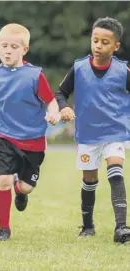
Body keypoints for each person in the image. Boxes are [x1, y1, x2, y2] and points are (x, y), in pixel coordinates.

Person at [0, 23, 60, 241]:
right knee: (2, 180)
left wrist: (54, 115)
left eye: (14, 46)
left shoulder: (34, 76)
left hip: (34, 141)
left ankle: (20, 192)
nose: (8, 50)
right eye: (4, 46)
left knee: (26, 187)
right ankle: (4, 228)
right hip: (5, 137)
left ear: (25, 49)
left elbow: (51, 103)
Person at [55, 17, 130, 243]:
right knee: (90, 180)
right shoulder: (78, 68)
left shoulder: (123, 71)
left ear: (116, 46)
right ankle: (88, 226)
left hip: (115, 132)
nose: (98, 46)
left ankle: (121, 228)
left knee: (116, 172)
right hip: (88, 135)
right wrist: (64, 107)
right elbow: (60, 93)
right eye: (95, 40)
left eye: (105, 42)